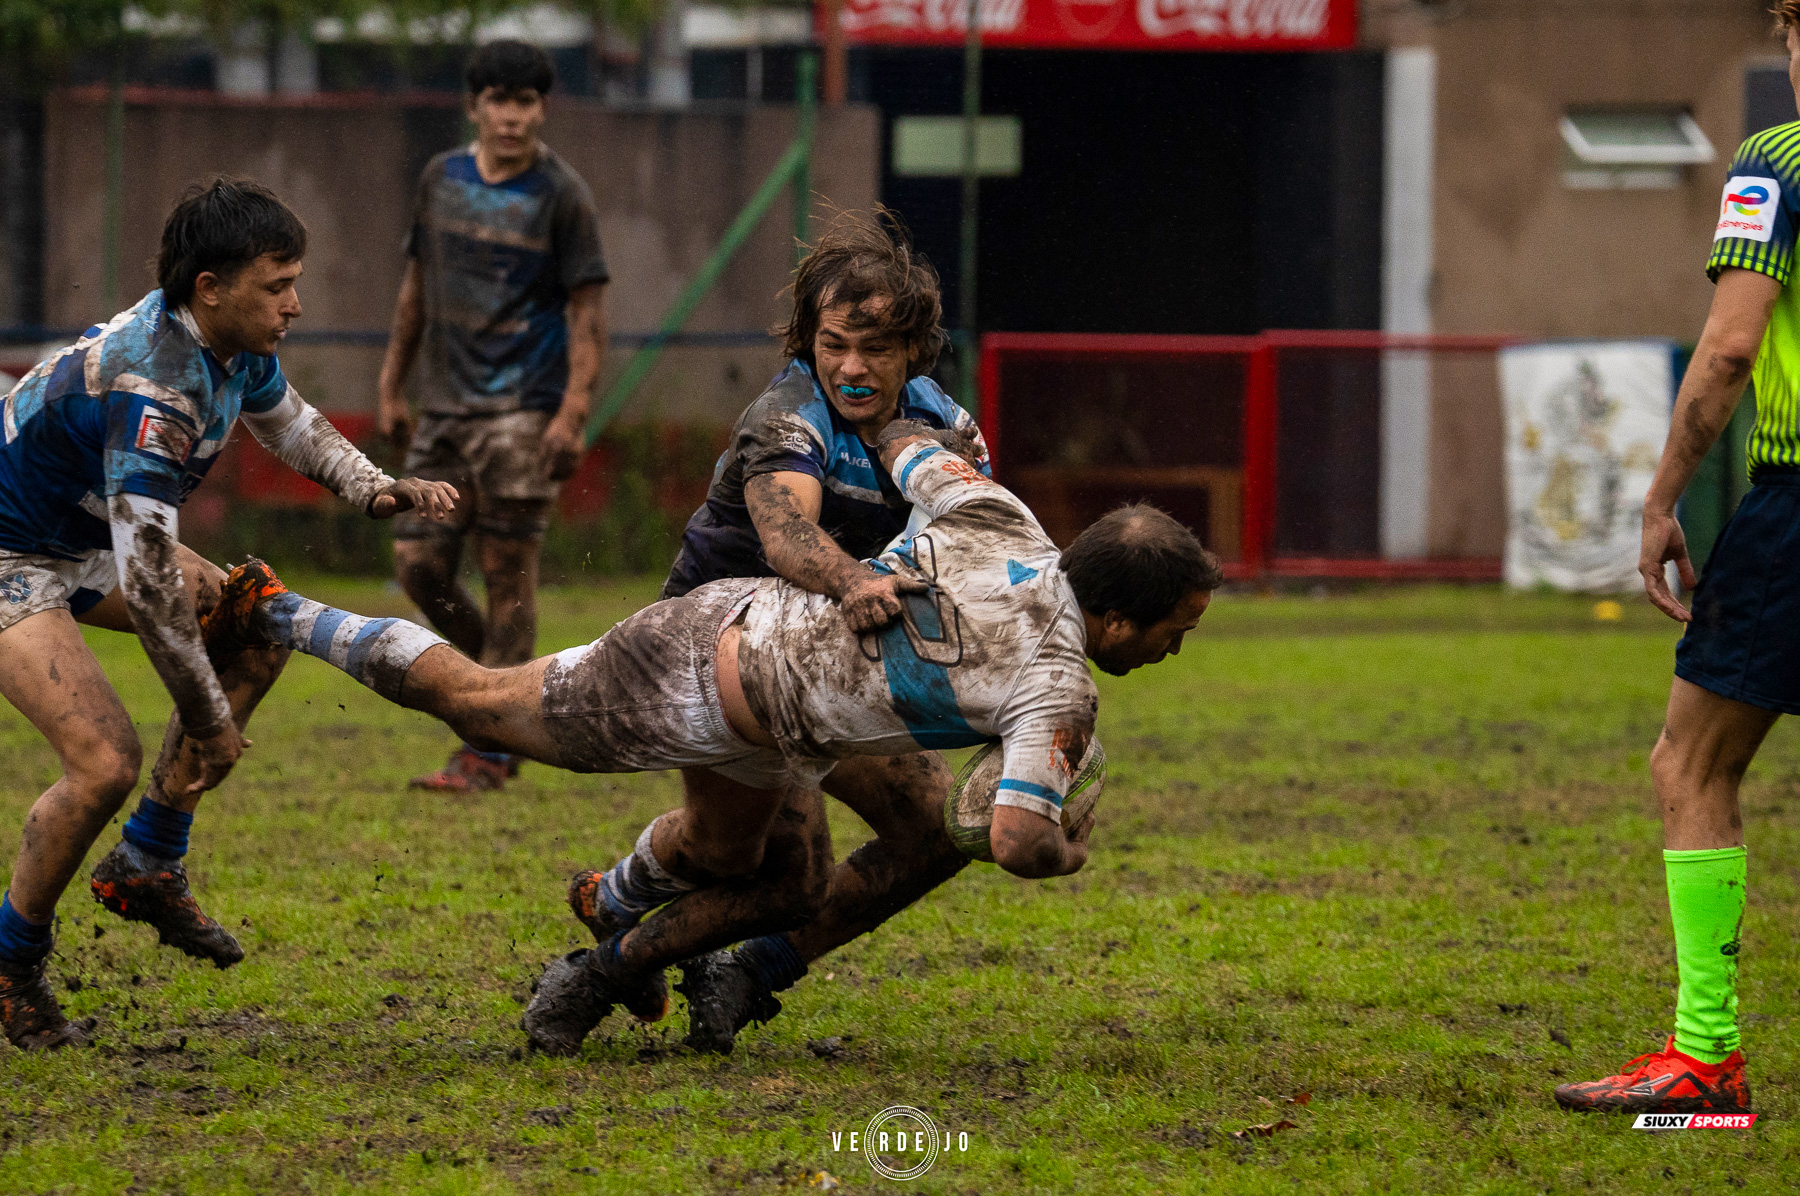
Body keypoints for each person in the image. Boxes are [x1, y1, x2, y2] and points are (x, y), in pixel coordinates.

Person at [200, 422, 1221, 1057]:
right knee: (476, 699)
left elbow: (911, 438)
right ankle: (280, 610)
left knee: (761, 870)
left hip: (769, 698)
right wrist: (1063, 843)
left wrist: (929, 420)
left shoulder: (1005, 516)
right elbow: (1013, 840)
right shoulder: (1061, 691)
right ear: (1123, 622)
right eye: (1180, 632)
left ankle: (610, 916)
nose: (1179, 652)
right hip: (699, 671)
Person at [0, 178, 456, 1050]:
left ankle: (147, 863)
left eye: (294, 281)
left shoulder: (230, 345)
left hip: (76, 531)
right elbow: (155, 587)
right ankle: (9, 963)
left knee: (250, 614)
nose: (297, 303)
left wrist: (374, 488)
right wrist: (209, 719)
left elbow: (289, 424)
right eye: (277, 285)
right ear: (209, 286)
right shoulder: (155, 391)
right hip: (11, 550)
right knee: (103, 762)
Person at [601, 209, 992, 1052]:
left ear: (915, 349)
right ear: (807, 340)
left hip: (823, 665)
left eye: (877, 348)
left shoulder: (947, 430)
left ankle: (754, 971)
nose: (852, 368)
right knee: (753, 865)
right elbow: (788, 538)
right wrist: (855, 579)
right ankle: (611, 906)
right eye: (834, 343)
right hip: (710, 655)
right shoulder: (785, 416)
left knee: (942, 828)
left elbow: (978, 542)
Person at [1552, 9, 1800, 1117]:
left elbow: (1733, 344)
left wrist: (1661, 494)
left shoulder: (1776, 162)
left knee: (1691, 763)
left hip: (1797, 501)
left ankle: (1706, 1058)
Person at [375, 39, 609, 793]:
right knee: (418, 567)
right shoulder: (439, 179)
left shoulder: (562, 194)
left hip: (522, 413)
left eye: (527, 102)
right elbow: (416, 288)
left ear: (542, 109)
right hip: (442, 413)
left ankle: (492, 748)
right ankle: (509, 700)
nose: (513, 116)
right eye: (500, 100)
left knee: (508, 576)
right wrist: (390, 384)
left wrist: (572, 412)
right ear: (475, 105)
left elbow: (588, 312)